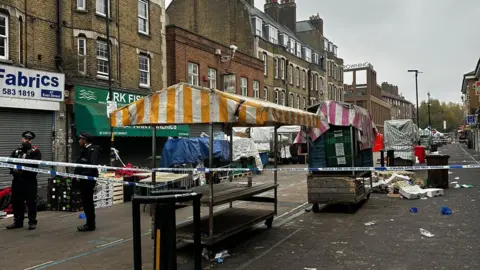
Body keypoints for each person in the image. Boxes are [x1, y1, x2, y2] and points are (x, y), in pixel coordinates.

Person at [6, 131, 42, 230]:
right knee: (16, 201)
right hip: (17, 180)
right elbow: (9, 161)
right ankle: (18, 221)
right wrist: (13, 169)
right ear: (22, 139)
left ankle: (32, 222)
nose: (27, 141)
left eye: (29, 139)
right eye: (25, 139)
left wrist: (21, 168)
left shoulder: (35, 151)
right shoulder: (17, 151)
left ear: (31, 141)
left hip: (29, 181)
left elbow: (35, 164)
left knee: (31, 202)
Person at [74, 132, 100, 232]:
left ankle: (90, 225)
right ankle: (89, 223)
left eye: (80, 139)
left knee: (88, 202)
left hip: (88, 180)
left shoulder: (92, 150)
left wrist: (83, 175)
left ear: (84, 140)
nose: (79, 141)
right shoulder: (84, 150)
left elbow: (92, 166)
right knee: (85, 202)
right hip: (83, 180)